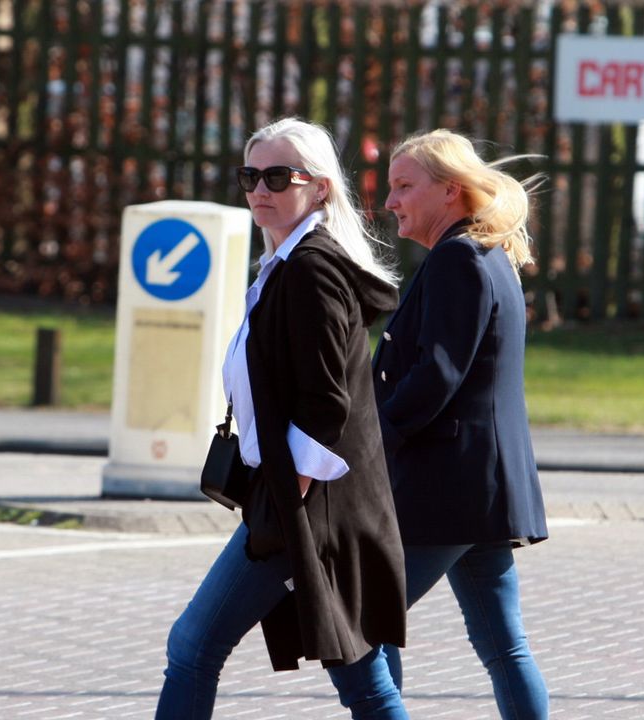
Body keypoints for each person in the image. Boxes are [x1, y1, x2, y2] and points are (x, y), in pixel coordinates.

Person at [155, 117, 408, 719]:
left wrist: (284, 504)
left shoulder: (312, 270)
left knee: (193, 646)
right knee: (362, 679)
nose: (259, 190)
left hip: (306, 505)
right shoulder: (288, 263)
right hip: (315, 502)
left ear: (319, 187)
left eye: (276, 176)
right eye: (250, 176)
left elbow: (325, 404)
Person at [372, 128, 550, 719]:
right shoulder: (483, 252)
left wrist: (371, 440)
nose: (390, 200)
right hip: (478, 489)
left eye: (403, 186)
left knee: (365, 622)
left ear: (449, 192)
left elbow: (437, 375)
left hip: (450, 488)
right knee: (504, 646)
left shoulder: (458, 258)